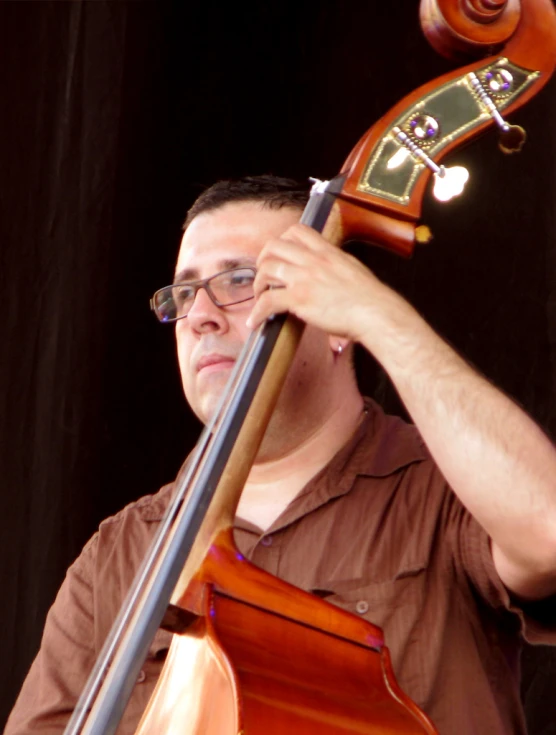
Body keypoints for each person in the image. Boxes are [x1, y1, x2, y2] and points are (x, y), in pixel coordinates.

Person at [5, 175, 556, 735]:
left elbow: (549, 532)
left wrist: (382, 318)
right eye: (185, 292)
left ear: (338, 320)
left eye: (241, 280)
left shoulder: (447, 490)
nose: (200, 316)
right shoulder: (119, 554)